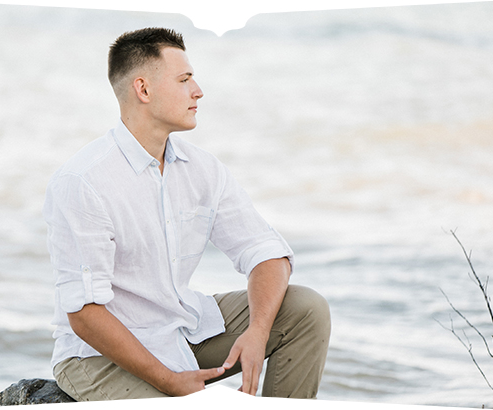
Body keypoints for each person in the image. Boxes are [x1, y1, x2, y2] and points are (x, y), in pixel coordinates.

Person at [43, 27, 331, 401]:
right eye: (184, 79)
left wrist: (258, 333)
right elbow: (83, 314)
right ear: (143, 90)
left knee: (305, 309)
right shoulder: (84, 181)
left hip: (181, 326)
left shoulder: (202, 169)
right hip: (98, 358)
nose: (198, 91)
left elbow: (266, 252)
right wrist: (169, 381)